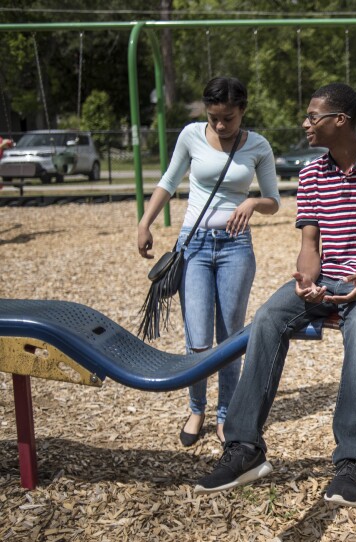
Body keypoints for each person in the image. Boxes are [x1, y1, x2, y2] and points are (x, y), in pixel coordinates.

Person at [193, 83, 356, 507]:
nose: (305, 123)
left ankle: (353, 462)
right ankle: (244, 448)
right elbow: (310, 246)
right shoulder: (312, 174)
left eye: (313, 116)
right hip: (327, 277)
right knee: (268, 317)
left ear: (340, 121)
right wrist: (305, 282)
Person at [137, 76, 280, 447]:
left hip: (236, 248)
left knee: (229, 339)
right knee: (198, 340)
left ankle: (225, 413)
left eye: (228, 118)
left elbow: (273, 201)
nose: (220, 125)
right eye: (214, 117)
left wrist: (250, 203)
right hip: (194, 246)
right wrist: (145, 222)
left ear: (242, 111)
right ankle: (196, 407)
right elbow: (168, 181)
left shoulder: (259, 146)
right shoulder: (190, 136)